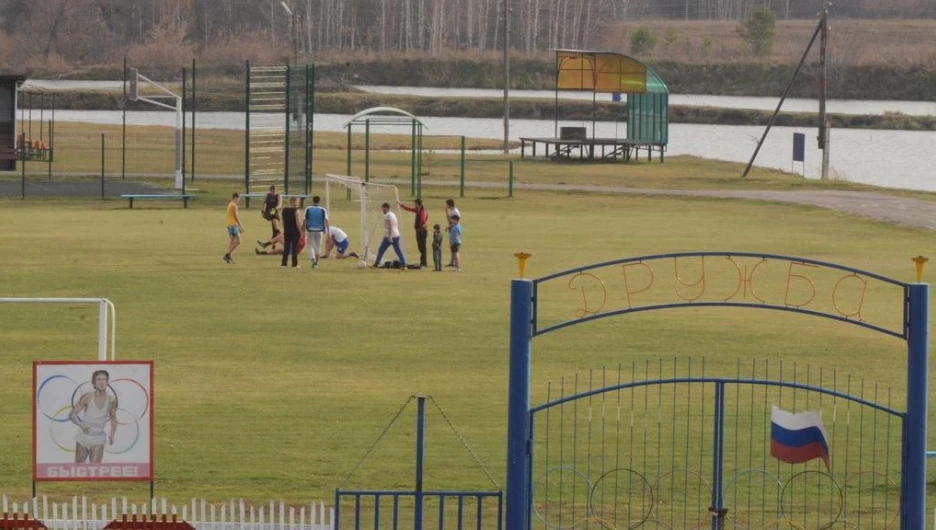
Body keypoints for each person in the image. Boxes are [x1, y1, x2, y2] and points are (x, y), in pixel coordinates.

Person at [68, 370, 117, 464]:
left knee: (95, 468)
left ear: (107, 382)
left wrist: (112, 434)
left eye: (104, 379)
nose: (101, 382)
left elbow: (114, 418)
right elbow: (72, 415)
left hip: (98, 439)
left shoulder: (111, 400)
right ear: (94, 382)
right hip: (83, 437)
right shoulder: (88, 396)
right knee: (79, 466)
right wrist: (82, 426)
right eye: (98, 379)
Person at [372, 202, 407, 269]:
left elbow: (390, 226)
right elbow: (394, 225)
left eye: (383, 209)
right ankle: (404, 264)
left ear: (386, 208)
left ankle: (376, 264)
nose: (382, 210)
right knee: (398, 251)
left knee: (381, 249)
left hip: (391, 236)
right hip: (396, 235)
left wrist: (390, 236)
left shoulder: (387, 215)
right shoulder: (393, 214)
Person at [399, 198, 429, 268]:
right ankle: (423, 262)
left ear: (419, 204)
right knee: (420, 247)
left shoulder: (423, 211)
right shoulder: (417, 210)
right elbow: (409, 209)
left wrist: (423, 225)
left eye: (415, 204)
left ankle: (424, 263)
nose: (414, 205)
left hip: (422, 232)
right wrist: (401, 205)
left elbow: (423, 220)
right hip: (418, 231)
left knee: (422, 247)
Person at [304, 196, 329, 269]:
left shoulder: (308, 209)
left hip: (311, 229)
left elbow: (305, 219)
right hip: (320, 230)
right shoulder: (323, 210)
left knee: (310, 246)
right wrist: (328, 231)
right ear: (319, 201)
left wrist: (303, 229)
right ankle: (316, 261)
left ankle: (313, 260)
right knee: (318, 247)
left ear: (313, 201)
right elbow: (326, 220)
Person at [280, 196, 304, 269]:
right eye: (297, 202)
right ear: (293, 201)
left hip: (287, 230)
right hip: (295, 231)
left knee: (286, 247)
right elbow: (298, 222)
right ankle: (294, 264)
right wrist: (301, 232)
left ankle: (284, 264)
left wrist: (285, 230)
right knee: (294, 247)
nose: (297, 203)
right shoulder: (296, 211)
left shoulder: (284, 210)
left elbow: (283, 222)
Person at [224, 192, 245, 264]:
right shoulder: (234, 206)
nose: (238, 201)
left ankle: (228, 257)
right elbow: (236, 217)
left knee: (232, 241)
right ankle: (227, 255)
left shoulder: (230, 204)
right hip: (233, 225)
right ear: (235, 198)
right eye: (238, 199)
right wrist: (241, 226)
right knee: (238, 241)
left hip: (229, 225)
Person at [444, 199, 461, 267]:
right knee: (452, 246)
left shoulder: (455, 212)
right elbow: (449, 220)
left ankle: (454, 262)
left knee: (454, 246)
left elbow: (455, 222)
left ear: (449, 204)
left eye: (447, 204)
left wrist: (448, 227)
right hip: (452, 228)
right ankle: (452, 261)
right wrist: (446, 212)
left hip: (454, 229)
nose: (446, 205)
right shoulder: (451, 210)